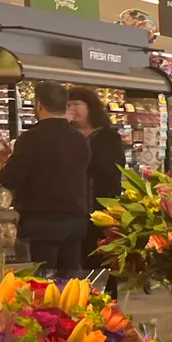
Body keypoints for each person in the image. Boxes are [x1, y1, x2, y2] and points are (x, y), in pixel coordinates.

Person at [0, 82, 91, 278]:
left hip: (42, 224)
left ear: (39, 105)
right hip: (75, 222)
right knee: (70, 282)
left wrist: (5, 161)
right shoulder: (80, 139)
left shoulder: (31, 139)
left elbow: (9, 179)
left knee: (41, 282)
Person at [66, 86, 126, 265]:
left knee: (102, 259)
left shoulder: (108, 136)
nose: (71, 109)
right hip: (73, 211)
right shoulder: (66, 135)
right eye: (68, 105)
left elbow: (109, 167)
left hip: (102, 207)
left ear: (90, 107)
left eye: (76, 104)